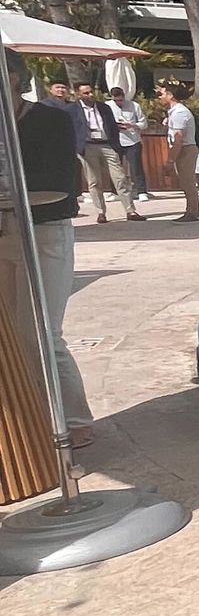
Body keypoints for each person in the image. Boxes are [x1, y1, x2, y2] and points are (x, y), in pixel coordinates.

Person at [6, 51, 94, 447]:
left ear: (17, 79)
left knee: (43, 333)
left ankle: (73, 421)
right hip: (5, 234)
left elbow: (61, 184)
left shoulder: (49, 119)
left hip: (44, 233)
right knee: (10, 336)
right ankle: (29, 422)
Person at [73, 83, 144, 223]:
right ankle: (101, 212)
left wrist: (115, 145)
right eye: (86, 93)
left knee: (120, 178)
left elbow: (111, 126)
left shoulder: (104, 107)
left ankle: (130, 210)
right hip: (88, 146)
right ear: (78, 94)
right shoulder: (72, 109)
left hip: (106, 144)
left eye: (91, 91)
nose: (90, 95)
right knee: (94, 181)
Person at [157, 82, 199, 222]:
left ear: (170, 95)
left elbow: (178, 138)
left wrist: (170, 160)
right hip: (183, 149)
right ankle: (192, 211)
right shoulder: (173, 113)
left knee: (188, 182)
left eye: (162, 94)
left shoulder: (179, 112)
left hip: (185, 149)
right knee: (185, 181)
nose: (160, 97)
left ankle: (193, 212)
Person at [108, 87, 149, 202]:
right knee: (115, 167)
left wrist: (132, 125)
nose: (119, 103)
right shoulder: (107, 106)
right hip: (115, 140)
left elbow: (144, 123)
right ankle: (115, 191)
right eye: (116, 101)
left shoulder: (134, 106)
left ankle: (141, 191)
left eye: (121, 100)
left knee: (136, 167)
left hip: (132, 140)